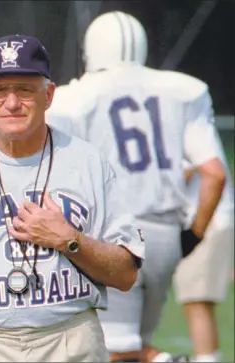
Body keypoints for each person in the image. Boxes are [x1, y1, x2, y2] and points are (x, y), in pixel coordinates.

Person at [0, 33, 145, 363]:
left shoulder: (90, 164)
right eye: (0, 90)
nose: (12, 103)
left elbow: (125, 274)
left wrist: (70, 241)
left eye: (24, 89)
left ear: (48, 94)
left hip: (69, 340)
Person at [49, 11, 227, 363]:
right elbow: (215, 173)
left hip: (111, 236)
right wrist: (191, 236)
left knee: (114, 349)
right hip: (165, 234)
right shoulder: (183, 90)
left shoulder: (75, 98)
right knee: (134, 343)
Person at [173, 139, 234, 362]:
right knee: (196, 303)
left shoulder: (186, 122)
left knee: (198, 303)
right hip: (205, 221)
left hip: (206, 222)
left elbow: (182, 174)